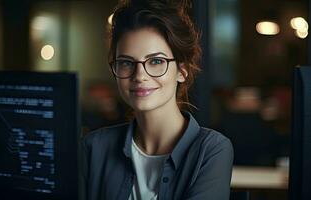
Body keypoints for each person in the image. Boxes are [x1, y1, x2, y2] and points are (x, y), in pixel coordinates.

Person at [80, 0, 233, 199]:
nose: (139, 76)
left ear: (182, 70)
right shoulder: (93, 147)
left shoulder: (211, 150)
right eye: (126, 62)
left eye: (156, 61)